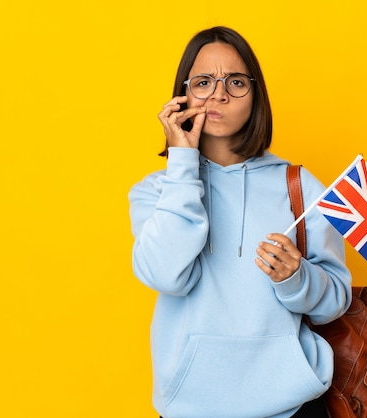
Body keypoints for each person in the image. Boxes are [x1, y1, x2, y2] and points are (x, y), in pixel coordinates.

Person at [129, 26, 352, 418]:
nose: (219, 94)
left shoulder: (299, 185)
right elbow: (166, 276)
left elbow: (335, 301)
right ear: (182, 94)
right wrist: (183, 165)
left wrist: (296, 278)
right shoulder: (155, 191)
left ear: (256, 95)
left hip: (293, 404)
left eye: (235, 82)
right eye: (203, 81)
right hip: (190, 406)